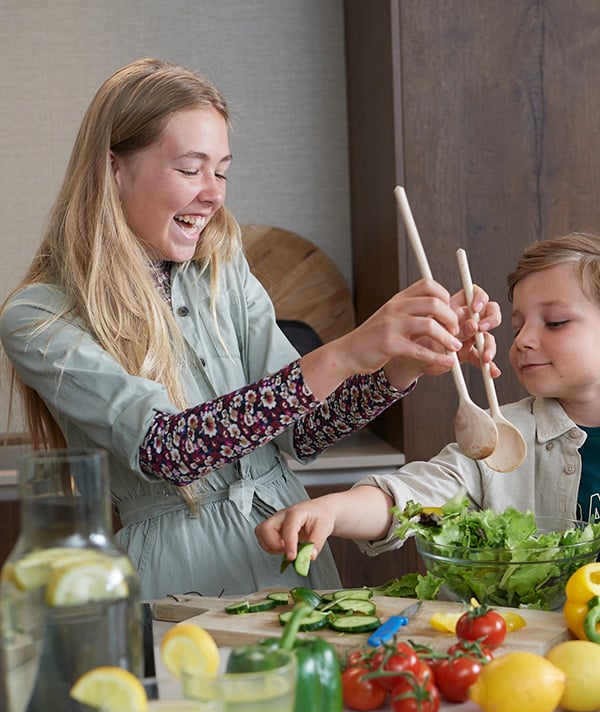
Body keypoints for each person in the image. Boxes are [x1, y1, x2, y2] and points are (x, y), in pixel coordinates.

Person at [0, 58, 500, 600]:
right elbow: (169, 450)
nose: (214, 193)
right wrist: (351, 349)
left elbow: (300, 432)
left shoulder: (221, 265)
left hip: (288, 550)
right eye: (191, 169)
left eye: (222, 171)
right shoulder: (39, 317)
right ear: (114, 169)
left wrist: (401, 361)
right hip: (177, 576)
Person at [256, 231, 600, 565]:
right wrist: (330, 510)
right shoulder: (497, 440)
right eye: (517, 327)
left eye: (555, 323)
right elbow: (413, 496)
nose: (524, 340)